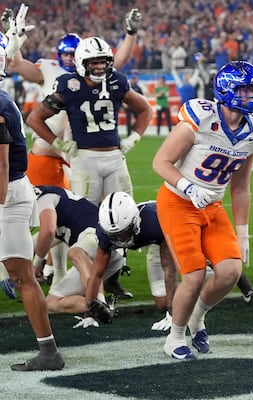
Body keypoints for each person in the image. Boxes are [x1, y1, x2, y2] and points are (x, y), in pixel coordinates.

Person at [9, 8, 143, 291]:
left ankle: (100, 275)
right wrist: (15, 40)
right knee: (61, 221)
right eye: (67, 54)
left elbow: (118, 63)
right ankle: (32, 268)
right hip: (56, 155)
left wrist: (130, 34)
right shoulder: (56, 75)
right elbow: (15, 65)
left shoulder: (107, 77)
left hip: (76, 159)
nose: (69, 58)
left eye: (73, 54)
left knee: (101, 217)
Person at [152, 60, 253, 360]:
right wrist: (189, 187)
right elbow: (161, 162)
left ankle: (197, 317)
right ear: (227, 90)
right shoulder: (202, 118)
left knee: (230, 271)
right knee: (193, 275)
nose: (252, 97)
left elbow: (240, 186)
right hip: (179, 202)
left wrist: (243, 233)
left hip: (212, 205)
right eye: (245, 91)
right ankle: (175, 337)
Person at [0, 37, 64, 370]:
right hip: (10, 191)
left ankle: (49, 352)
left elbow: (1, 168)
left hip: (6, 196)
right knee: (19, 274)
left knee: (22, 275)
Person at [85, 191, 178, 330]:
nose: (119, 240)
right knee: (161, 303)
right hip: (151, 234)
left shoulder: (154, 223)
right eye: (114, 235)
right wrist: (89, 314)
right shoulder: (104, 235)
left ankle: (202, 285)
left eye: (122, 233)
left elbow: (169, 270)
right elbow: (96, 274)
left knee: (193, 272)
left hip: (170, 230)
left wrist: (172, 315)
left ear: (135, 222)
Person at [32, 185, 122, 323]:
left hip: (103, 240)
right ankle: (102, 309)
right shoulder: (61, 217)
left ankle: (99, 300)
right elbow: (32, 245)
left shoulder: (43, 198)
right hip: (95, 257)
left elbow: (47, 231)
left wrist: (36, 265)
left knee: (75, 252)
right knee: (51, 302)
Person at [125, 72, 145, 136]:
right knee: (128, 120)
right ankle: (128, 133)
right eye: (133, 79)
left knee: (138, 118)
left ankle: (132, 128)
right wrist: (123, 104)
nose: (134, 80)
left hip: (135, 106)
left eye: (135, 79)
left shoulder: (138, 88)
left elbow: (141, 97)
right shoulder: (127, 87)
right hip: (128, 105)